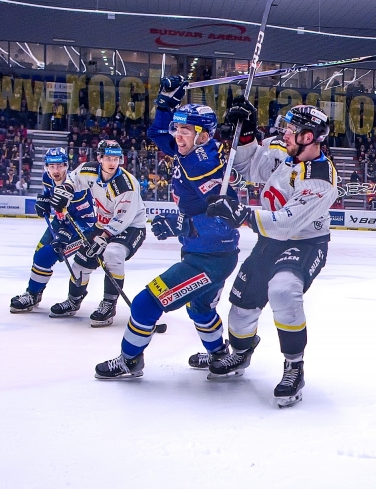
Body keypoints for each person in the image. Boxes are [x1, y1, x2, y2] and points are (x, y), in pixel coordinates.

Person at [94, 77, 240, 379]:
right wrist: (165, 103)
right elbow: (157, 133)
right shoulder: (191, 152)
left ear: (202, 135)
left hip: (211, 259)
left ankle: (129, 360)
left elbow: (227, 220)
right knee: (200, 309)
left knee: (146, 304)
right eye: (178, 128)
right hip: (204, 255)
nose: (177, 135)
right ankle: (219, 356)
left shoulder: (203, 165)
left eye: (185, 130)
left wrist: (181, 223)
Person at [202, 97, 338, 408]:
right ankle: (241, 352)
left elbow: (287, 224)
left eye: (293, 130)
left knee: (283, 290)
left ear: (309, 137)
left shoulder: (320, 176)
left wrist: (243, 215)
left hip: (305, 243)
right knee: (239, 313)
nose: (285, 134)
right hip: (269, 241)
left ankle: (294, 365)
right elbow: (250, 167)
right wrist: (246, 133)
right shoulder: (289, 156)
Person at [49, 139, 147, 326]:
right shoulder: (89, 170)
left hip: (131, 227)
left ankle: (109, 303)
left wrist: (103, 238)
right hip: (102, 225)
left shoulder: (127, 185)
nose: (112, 163)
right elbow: (73, 179)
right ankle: (73, 300)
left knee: (112, 253)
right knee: (80, 263)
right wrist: (66, 191)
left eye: (116, 158)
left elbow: (123, 218)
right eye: (108, 158)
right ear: (99, 158)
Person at [9, 147, 95, 312]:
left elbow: (84, 215)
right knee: (39, 255)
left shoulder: (77, 186)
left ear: (66, 165)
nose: (56, 170)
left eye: (60, 166)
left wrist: (66, 232)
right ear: (46, 167)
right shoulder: (47, 178)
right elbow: (51, 196)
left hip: (83, 226)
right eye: (52, 166)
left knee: (52, 255)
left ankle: (74, 300)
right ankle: (33, 294)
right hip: (61, 221)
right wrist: (44, 202)